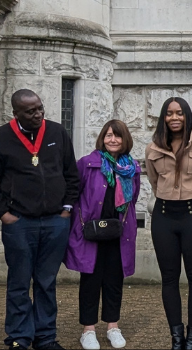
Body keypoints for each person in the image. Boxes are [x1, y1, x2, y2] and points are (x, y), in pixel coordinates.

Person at [0, 89, 79, 350]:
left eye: (40, 108)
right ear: (15, 113)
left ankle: (45, 338)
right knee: (19, 282)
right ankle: (19, 337)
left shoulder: (56, 132)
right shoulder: (0, 138)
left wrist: (66, 210)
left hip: (55, 222)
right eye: (31, 111)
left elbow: (71, 174)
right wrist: (5, 215)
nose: (38, 114)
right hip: (19, 223)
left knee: (46, 282)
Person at [145, 97, 192, 350]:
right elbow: (155, 183)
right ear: (163, 118)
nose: (174, 118)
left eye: (179, 113)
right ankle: (176, 338)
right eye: (169, 114)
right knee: (169, 278)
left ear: (187, 115)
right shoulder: (153, 148)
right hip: (164, 216)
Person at [65, 120, 141, 350]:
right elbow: (74, 193)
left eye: (117, 136)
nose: (112, 140)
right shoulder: (87, 164)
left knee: (114, 280)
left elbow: (133, 198)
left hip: (119, 233)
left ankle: (112, 327)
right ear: (102, 138)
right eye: (108, 135)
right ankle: (88, 330)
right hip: (92, 232)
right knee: (90, 280)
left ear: (124, 139)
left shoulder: (132, 167)